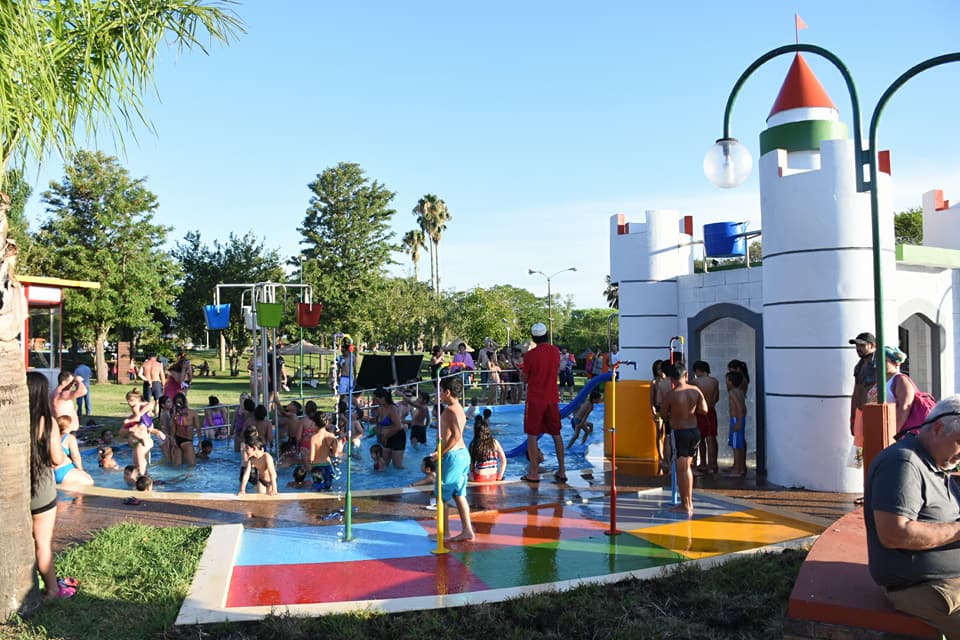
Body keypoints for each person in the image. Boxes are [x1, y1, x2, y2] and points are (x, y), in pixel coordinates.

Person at [864, 395, 960, 637]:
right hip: (926, 587)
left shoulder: (937, 463)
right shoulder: (903, 462)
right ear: (938, 428)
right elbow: (894, 533)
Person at [27, 371, 75, 600]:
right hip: (42, 491)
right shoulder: (48, 423)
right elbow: (57, 459)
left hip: (16, 491)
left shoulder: (12, 420)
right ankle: (52, 591)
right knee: (43, 543)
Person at [430, 375, 475, 542]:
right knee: (459, 494)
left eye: (440, 391)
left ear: (447, 392)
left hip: (453, 456)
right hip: (462, 455)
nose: (439, 394)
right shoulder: (458, 407)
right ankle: (467, 530)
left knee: (441, 495)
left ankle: (444, 532)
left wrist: (440, 453)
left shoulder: (449, 411)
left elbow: (455, 435)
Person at [521, 322, 566, 483]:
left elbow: (525, 378)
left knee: (532, 435)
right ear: (546, 335)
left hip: (534, 399)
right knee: (556, 434)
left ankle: (533, 472)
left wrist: (523, 375)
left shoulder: (529, 356)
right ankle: (562, 470)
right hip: (552, 398)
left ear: (533, 337)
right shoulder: (555, 352)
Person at [662, 363, 708, 516]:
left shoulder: (671, 394)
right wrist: (690, 410)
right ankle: (689, 502)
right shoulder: (695, 391)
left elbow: (663, 415)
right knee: (687, 467)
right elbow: (704, 410)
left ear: (672, 379)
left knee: (682, 469)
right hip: (694, 431)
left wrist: (675, 414)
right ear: (686, 375)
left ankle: (685, 504)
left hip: (680, 433)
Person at [869, 346, 924, 437]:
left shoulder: (900, 380)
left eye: (884, 361)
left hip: (897, 434)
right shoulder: (880, 381)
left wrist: (893, 433)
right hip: (878, 431)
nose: (879, 364)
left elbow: (905, 407)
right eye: (877, 360)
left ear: (896, 363)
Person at [118, 389, 165, 476]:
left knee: (141, 470)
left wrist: (139, 410)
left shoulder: (144, 416)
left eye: (132, 401)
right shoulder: (130, 419)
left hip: (142, 444)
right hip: (136, 445)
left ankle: (145, 485)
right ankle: (143, 484)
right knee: (137, 470)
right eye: (128, 401)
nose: (129, 403)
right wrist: (130, 429)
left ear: (139, 401)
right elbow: (121, 433)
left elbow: (149, 404)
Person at [691, 361, 720, 475]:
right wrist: (710, 404)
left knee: (700, 438)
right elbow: (716, 397)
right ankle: (713, 464)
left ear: (698, 370)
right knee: (711, 437)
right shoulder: (714, 381)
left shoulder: (695, 382)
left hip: (699, 411)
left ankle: (703, 462)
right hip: (711, 409)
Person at [849, 332, 878, 443]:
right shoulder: (859, 366)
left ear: (872, 345)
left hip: (875, 414)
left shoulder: (880, 364)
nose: (858, 348)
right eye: (857, 345)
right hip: (861, 413)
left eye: (862, 345)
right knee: (861, 452)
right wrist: (853, 418)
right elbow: (856, 393)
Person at [53, 415, 94, 487]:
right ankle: (79, 498)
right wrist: (81, 470)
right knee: (89, 481)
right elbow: (75, 456)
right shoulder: (69, 438)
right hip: (64, 470)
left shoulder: (54, 437)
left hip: (54, 472)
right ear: (69, 425)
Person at [373, 386, 406, 469]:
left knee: (397, 465)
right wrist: (379, 437)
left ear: (383, 398)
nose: (375, 401)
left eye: (377, 399)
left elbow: (398, 426)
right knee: (384, 464)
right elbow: (378, 424)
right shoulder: (380, 408)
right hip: (386, 438)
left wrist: (386, 436)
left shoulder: (392, 409)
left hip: (398, 436)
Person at [651, 360, 674, 473]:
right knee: (660, 434)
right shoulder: (655, 382)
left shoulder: (667, 381)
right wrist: (653, 410)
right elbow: (652, 399)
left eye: (661, 368)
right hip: (658, 409)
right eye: (658, 369)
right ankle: (661, 456)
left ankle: (665, 457)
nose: (660, 371)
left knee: (666, 434)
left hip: (664, 408)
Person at [469, 415, 507, 482]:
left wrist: (470, 475)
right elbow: (504, 460)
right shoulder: (495, 442)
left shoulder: (474, 444)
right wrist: (499, 477)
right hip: (493, 476)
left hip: (479, 477)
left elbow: (471, 466)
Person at [307, 412, 340, 491]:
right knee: (329, 489)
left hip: (317, 467)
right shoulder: (331, 436)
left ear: (315, 423)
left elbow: (311, 458)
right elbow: (336, 454)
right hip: (328, 466)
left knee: (319, 490)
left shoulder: (314, 438)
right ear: (327, 422)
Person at [725, 370, 747, 477]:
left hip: (736, 419)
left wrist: (737, 421)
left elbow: (738, 407)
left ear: (730, 382)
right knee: (739, 445)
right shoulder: (741, 392)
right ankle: (739, 467)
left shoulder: (732, 393)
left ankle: (737, 470)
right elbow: (743, 408)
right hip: (740, 419)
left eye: (727, 380)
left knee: (736, 446)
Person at [170, 392, 201, 466]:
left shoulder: (175, 415)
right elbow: (198, 428)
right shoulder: (192, 413)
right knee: (192, 466)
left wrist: (173, 440)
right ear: (185, 402)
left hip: (177, 440)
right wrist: (200, 441)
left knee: (177, 467)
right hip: (187, 441)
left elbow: (173, 430)